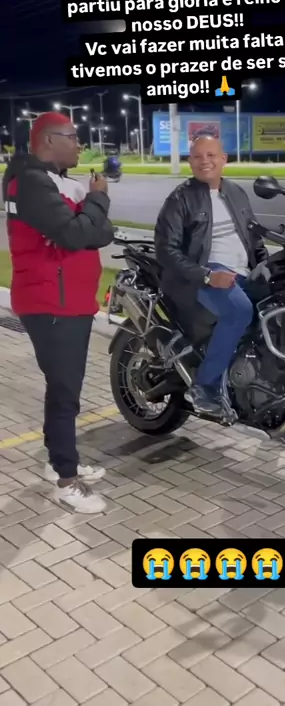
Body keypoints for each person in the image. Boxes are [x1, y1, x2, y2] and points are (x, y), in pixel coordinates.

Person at [155, 135, 285, 448]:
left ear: (224, 159)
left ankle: (279, 410)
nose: (205, 161)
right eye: (198, 156)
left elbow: (253, 238)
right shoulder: (180, 199)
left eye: (211, 155)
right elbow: (166, 250)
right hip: (199, 277)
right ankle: (205, 387)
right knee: (239, 311)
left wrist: (269, 263)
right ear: (190, 161)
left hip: (242, 273)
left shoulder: (236, 192)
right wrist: (207, 275)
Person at [2, 112, 115, 512]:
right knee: (66, 392)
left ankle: (57, 460)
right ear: (49, 140)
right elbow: (75, 233)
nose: (80, 144)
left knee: (63, 388)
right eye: (73, 137)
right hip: (52, 303)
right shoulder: (31, 182)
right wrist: (97, 200)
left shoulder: (59, 182)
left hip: (70, 301)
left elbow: (101, 232)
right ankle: (67, 482)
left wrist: (88, 220)